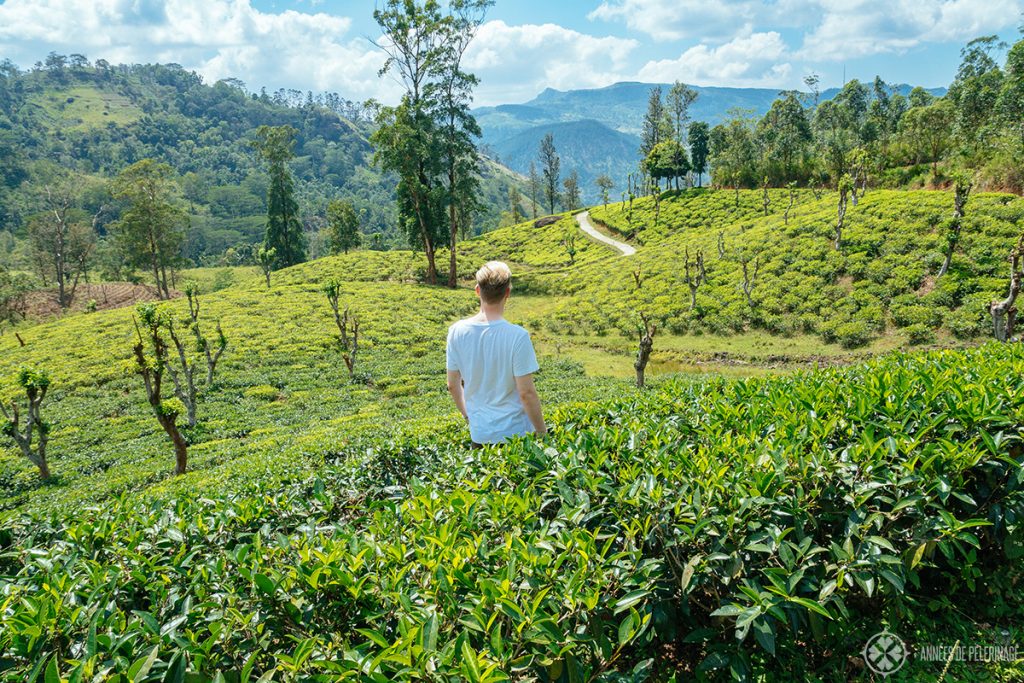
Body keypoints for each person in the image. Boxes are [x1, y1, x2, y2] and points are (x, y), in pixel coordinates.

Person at [446, 261, 547, 446]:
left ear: (477, 290)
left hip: (480, 434)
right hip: (516, 435)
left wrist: (469, 416)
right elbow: (526, 393)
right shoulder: (518, 336)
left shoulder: (456, 331)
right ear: (507, 293)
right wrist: (542, 432)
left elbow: (452, 385)